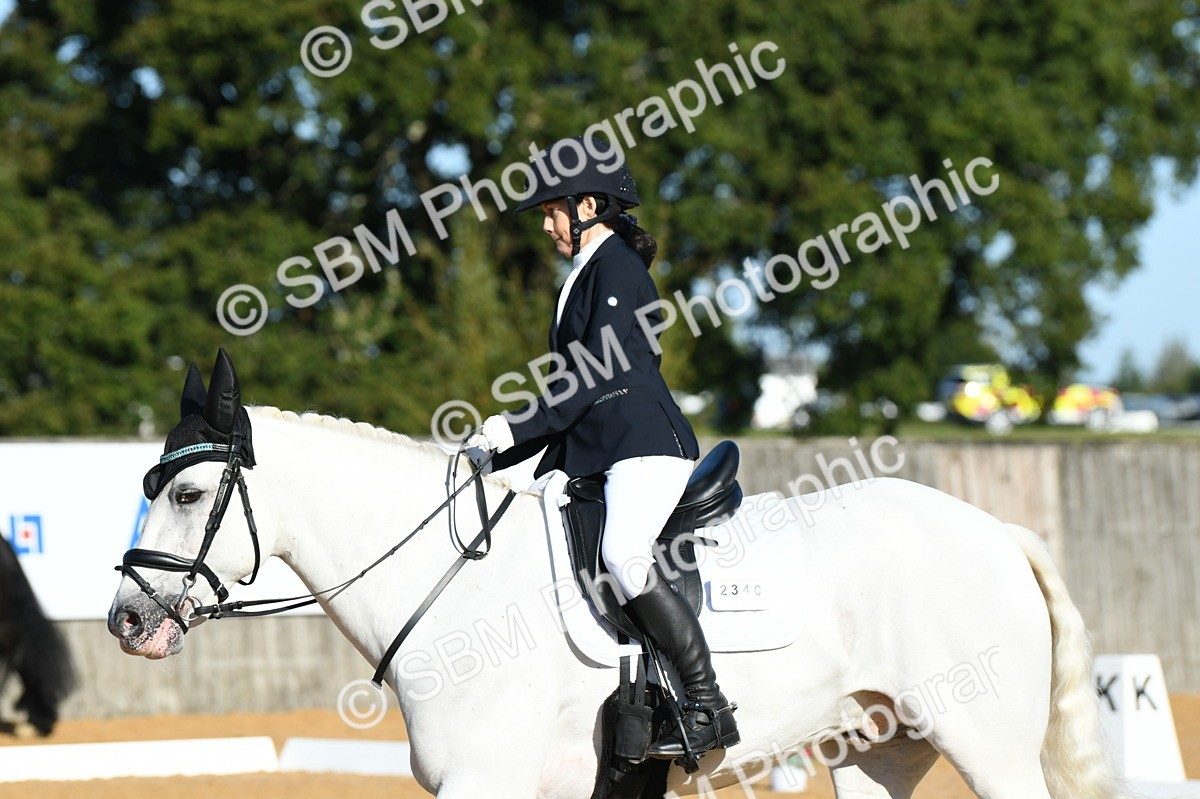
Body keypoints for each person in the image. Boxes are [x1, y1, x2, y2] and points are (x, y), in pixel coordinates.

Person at [465, 136, 739, 759]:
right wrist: (499, 459)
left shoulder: (616, 267)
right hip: (600, 447)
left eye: (550, 211)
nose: (546, 225)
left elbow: (593, 375)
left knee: (623, 554)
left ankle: (705, 703)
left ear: (587, 204)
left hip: (642, 443)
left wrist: (511, 428)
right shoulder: (587, 271)